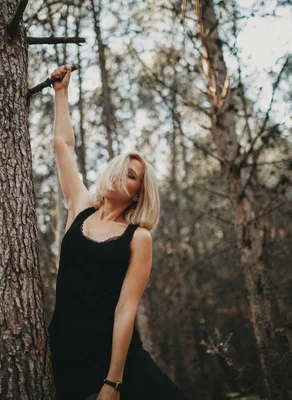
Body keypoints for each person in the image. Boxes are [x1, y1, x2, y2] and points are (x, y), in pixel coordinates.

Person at [47, 65, 188, 400]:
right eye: (122, 168)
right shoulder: (80, 207)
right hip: (66, 351)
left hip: (118, 357)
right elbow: (63, 145)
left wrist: (114, 381)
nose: (124, 174)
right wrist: (62, 94)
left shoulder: (138, 237)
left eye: (133, 176)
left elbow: (126, 308)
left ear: (137, 193)